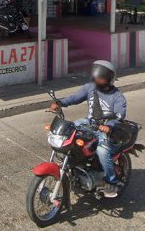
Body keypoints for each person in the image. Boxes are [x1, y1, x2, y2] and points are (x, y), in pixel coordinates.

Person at [48, 60, 127, 198]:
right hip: (90, 123)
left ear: (109, 78)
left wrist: (109, 126)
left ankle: (111, 182)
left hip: (106, 129)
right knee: (69, 132)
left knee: (102, 151)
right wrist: (60, 103)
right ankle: (74, 164)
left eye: (101, 77)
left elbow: (119, 116)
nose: (97, 79)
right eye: (96, 76)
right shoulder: (90, 88)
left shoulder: (117, 97)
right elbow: (74, 98)